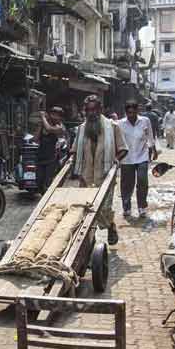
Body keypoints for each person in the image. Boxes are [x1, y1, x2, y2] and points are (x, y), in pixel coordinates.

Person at [71, 95, 128, 245]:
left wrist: (116, 159)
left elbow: (123, 149)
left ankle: (110, 226)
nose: (91, 113)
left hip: (105, 175)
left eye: (94, 109)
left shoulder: (112, 126)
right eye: (88, 110)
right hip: (86, 175)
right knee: (86, 208)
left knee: (104, 208)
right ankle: (90, 238)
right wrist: (70, 160)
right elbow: (74, 150)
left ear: (100, 110)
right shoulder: (82, 129)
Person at [118, 101, 157, 219]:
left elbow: (150, 136)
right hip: (126, 158)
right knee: (127, 184)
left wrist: (154, 150)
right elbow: (117, 141)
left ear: (137, 111)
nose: (131, 115)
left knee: (142, 181)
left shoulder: (145, 121)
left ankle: (142, 207)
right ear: (126, 112)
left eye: (134, 112)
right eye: (129, 112)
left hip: (142, 156)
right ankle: (126, 207)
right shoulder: (120, 124)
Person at [35, 106, 66, 194]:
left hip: (51, 159)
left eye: (57, 115)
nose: (55, 117)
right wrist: (40, 125)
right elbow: (36, 139)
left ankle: (45, 201)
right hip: (40, 157)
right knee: (38, 182)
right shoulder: (44, 124)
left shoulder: (60, 127)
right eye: (53, 114)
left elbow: (49, 129)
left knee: (47, 183)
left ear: (60, 117)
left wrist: (43, 117)